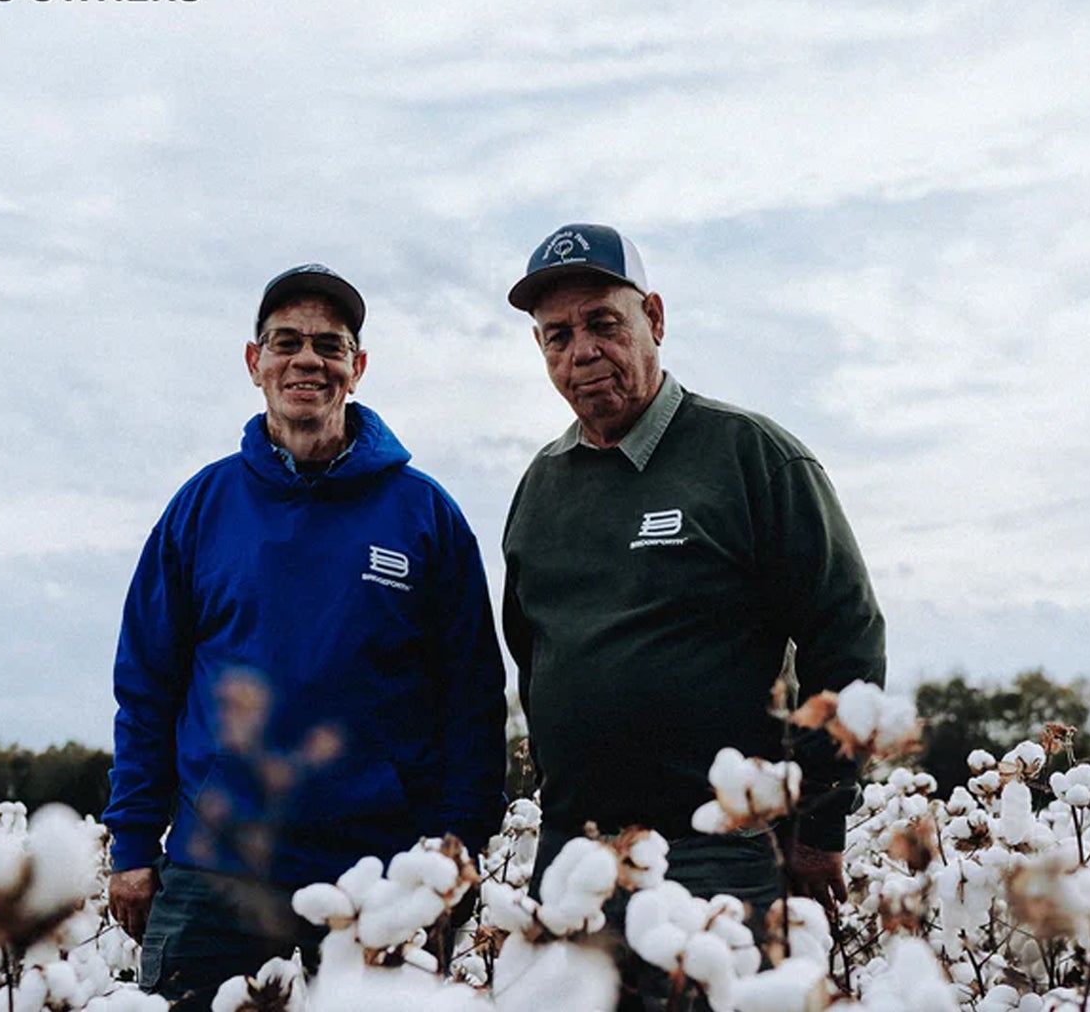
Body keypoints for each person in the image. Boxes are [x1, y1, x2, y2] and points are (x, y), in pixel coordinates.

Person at [500, 224, 886, 1003]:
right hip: (575, 863)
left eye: (604, 324)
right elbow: (532, 655)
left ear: (655, 319)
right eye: (557, 335)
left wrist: (818, 827)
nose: (581, 351)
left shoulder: (752, 458)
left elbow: (846, 642)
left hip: (718, 859)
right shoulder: (540, 488)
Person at [104, 264, 507, 1007]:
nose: (307, 360)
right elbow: (147, 684)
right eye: (285, 342)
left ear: (357, 367)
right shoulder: (201, 508)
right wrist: (132, 844)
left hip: (377, 877)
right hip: (214, 871)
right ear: (254, 363)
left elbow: (473, 697)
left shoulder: (425, 516)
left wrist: (458, 849)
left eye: (329, 344)